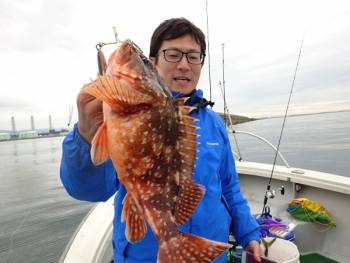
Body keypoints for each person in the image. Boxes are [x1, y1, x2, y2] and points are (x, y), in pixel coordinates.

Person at [60, 17, 262, 262]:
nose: (184, 65)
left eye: (193, 56)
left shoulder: (215, 124)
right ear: (153, 63)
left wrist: (249, 233)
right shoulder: (119, 115)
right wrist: (85, 134)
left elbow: (230, 188)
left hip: (208, 255)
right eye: (174, 54)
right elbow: (89, 190)